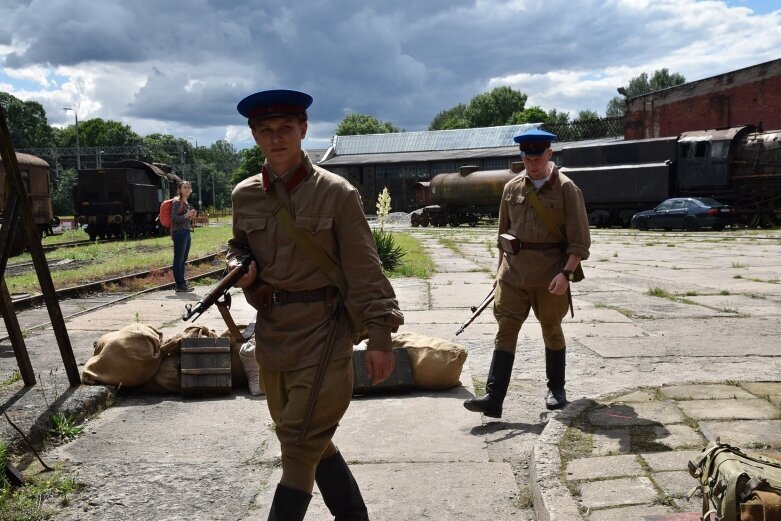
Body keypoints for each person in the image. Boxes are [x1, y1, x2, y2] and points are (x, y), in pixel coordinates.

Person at [227, 89, 404, 521]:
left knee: (298, 444)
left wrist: (380, 338)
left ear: (303, 129)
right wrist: (242, 268)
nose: (277, 138)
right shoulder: (244, 196)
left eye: (285, 128)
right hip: (273, 336)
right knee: (312, 441)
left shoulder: (336, 193)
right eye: (265, 131)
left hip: (324, 333)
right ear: (253, 136)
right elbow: (239, 247)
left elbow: (365, 268)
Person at [463, 128, 590, 418]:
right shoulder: (512, 188)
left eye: (537, 157)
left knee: (551, 330)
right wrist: (498, 276)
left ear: (549, 154)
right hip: (513, 275)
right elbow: (502, 236)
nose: (532, 164)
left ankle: (556, 390)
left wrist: (566, 274)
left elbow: (580, 241)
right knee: (505, 330)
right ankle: (494, 398)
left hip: (550, 277)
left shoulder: (567, 189)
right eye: (527, 158)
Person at [171, 180, 197, 293]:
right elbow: (174, 218)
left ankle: (182, 283)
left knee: (183, 259)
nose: (187, 189)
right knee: (179, 259)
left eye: (188, 187)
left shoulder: (185, 202)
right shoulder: (177, 202)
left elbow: (183, 219)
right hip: (180, 233)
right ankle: (179, 284)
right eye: (184, 187)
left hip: (186, 232)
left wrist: (190, 216)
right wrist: (187, 214)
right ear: (180, 190)